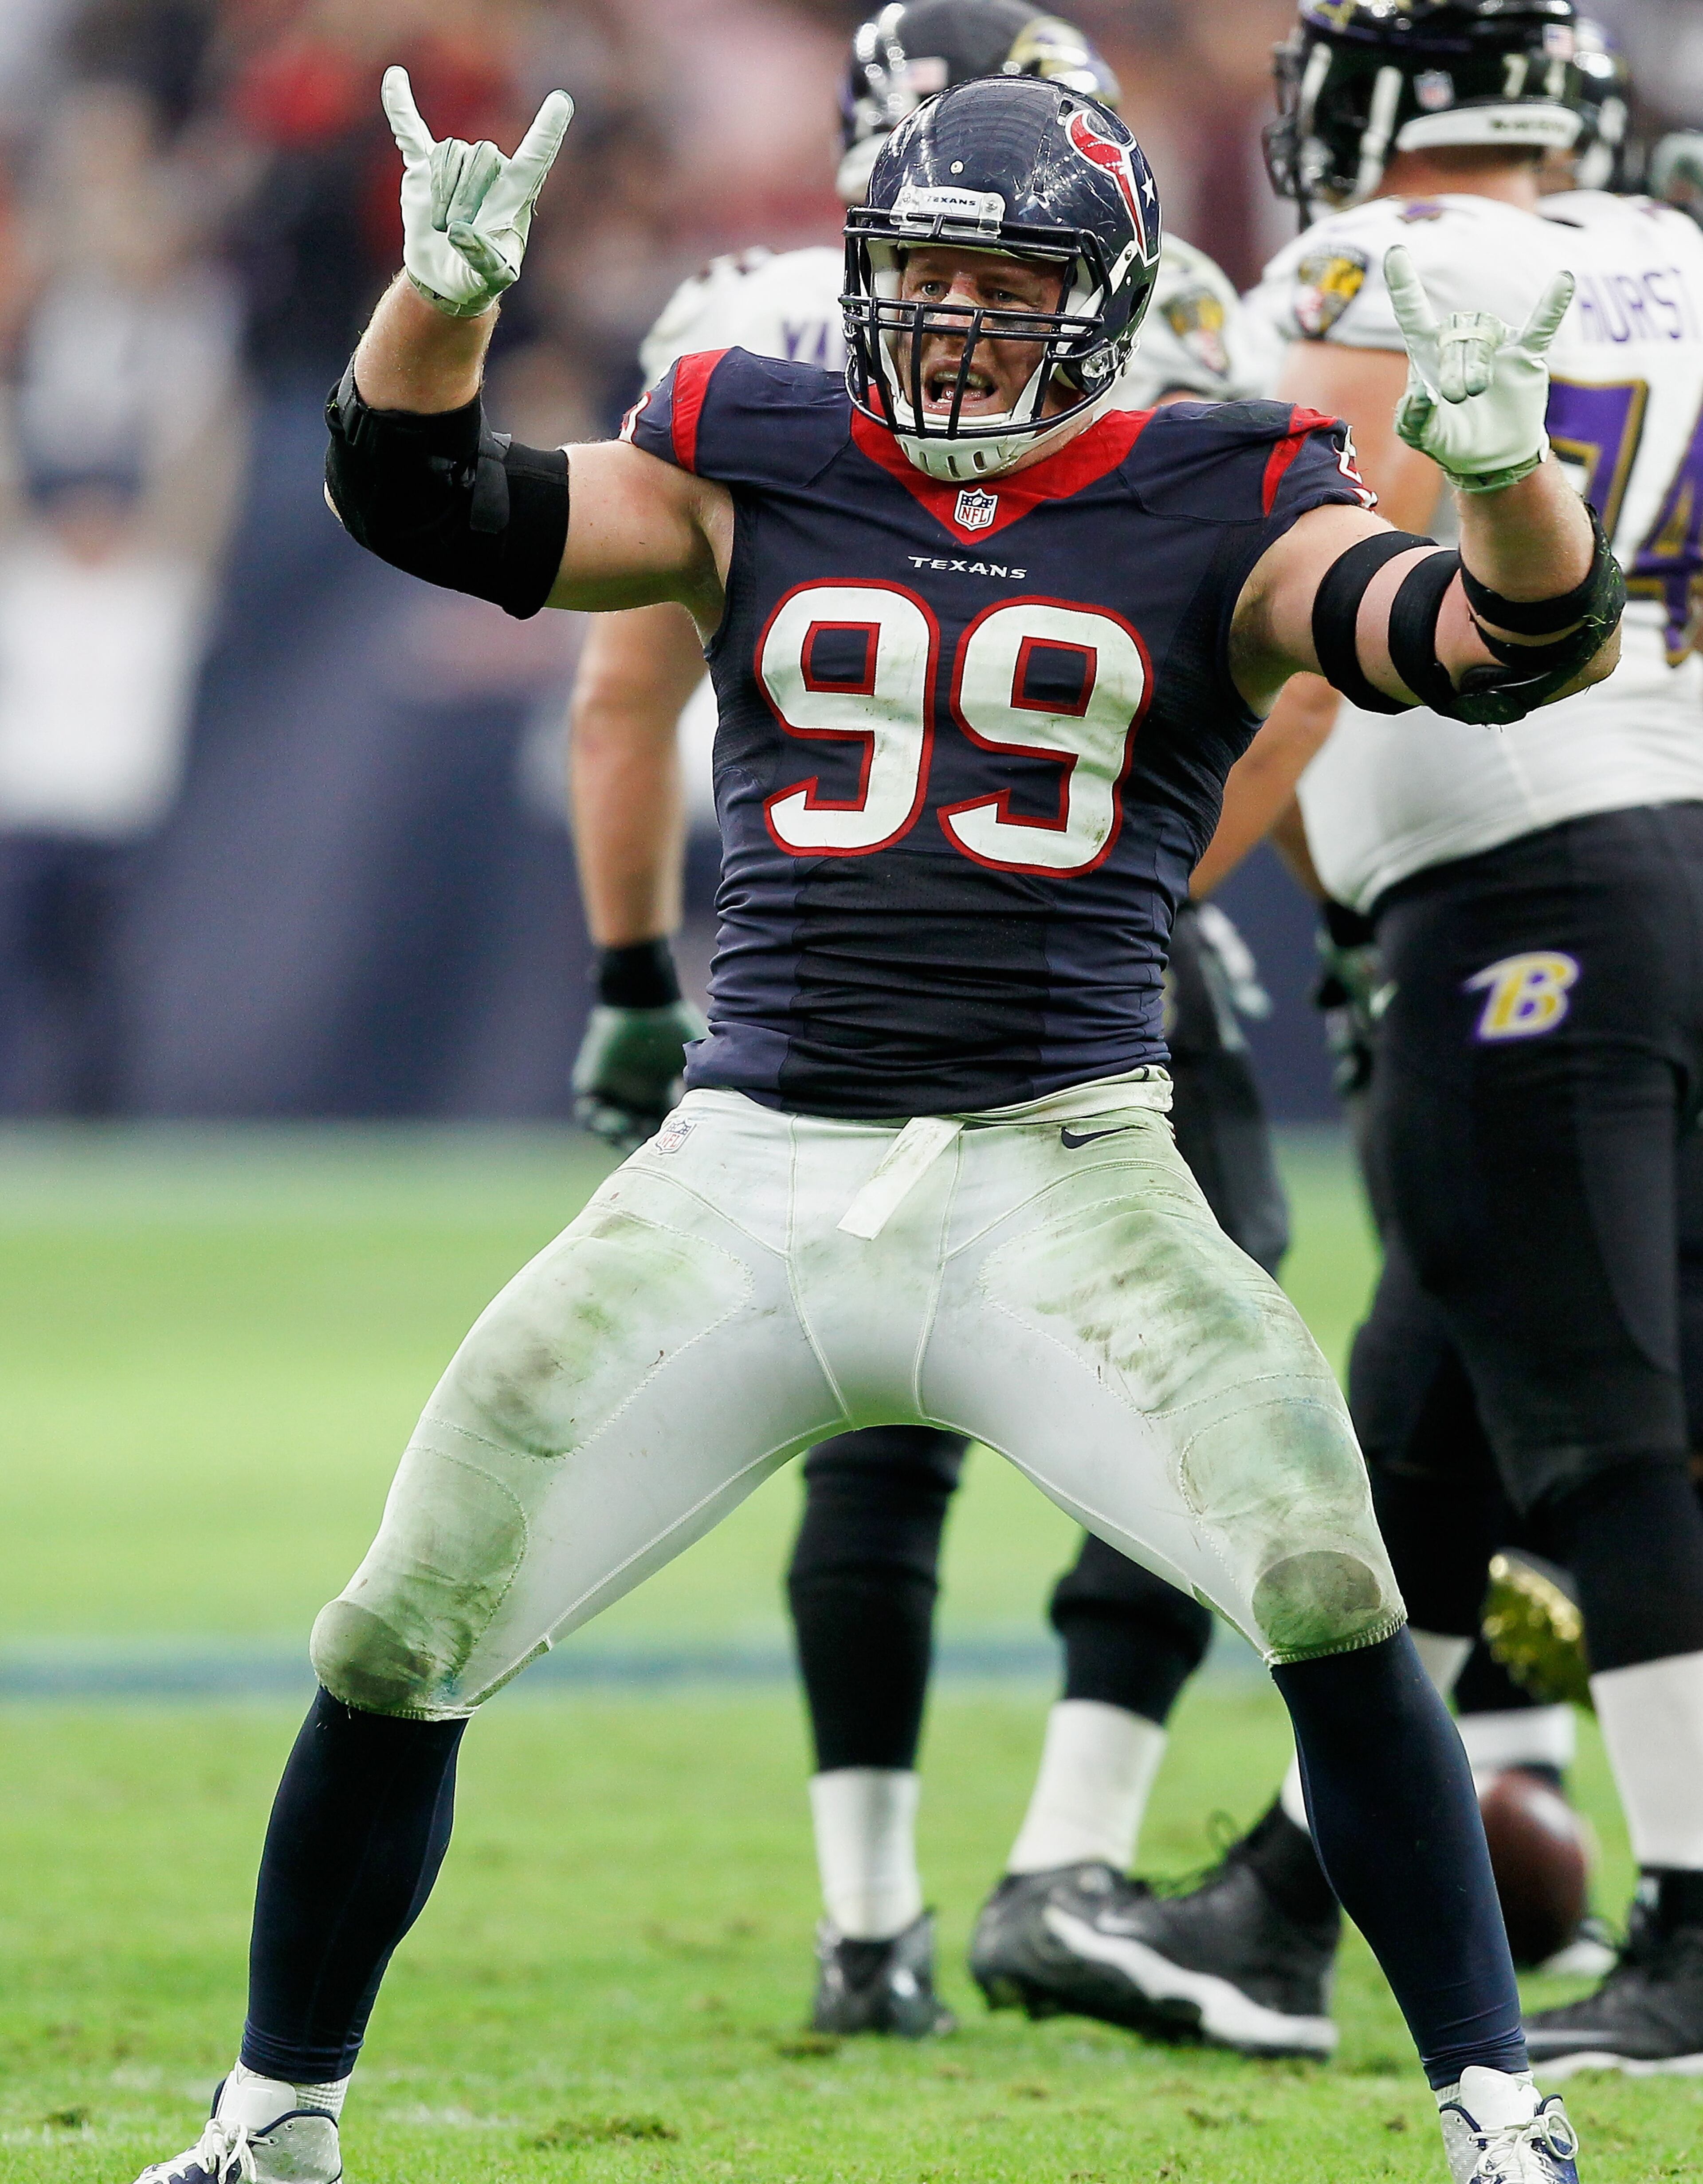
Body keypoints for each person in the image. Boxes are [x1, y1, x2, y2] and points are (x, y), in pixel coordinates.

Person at [136, 56, 1620, 2184]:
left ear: (1104, 303)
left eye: (1007, 289)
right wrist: (434, 303)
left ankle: (1500, 2107)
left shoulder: (1228, 482)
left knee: (1319, 1564)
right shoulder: (762, 439)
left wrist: (1508, 483)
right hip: (748, 1170)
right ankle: (271, 2121)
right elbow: (431, 500)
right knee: (399, 1617)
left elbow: (1492, 645)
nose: (954, 326)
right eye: (919, 278)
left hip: (1068, 1174)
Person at [565, 0, 1289, 2041]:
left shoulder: (736, 328)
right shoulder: (1169, 309)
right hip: (1081, 941)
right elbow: (1275, 655)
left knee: (857, 1416)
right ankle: (1070, 1848)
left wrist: (631, 969)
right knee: (1206, 1377)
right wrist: (1201, 888)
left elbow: (623, 688)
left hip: (814, 931)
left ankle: (871, 1917)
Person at [1084, 0, 1703, 2082]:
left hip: (1525, 893)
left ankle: (1699, 1926)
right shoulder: (1687, 255)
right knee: (1424, 1441)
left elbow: (1313, 650)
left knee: (1600, 1419)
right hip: (1672, 873)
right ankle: (1282, 1900)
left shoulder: (1363, 276)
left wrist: (1136, 886)